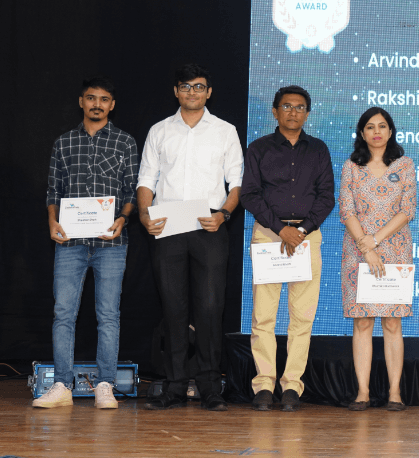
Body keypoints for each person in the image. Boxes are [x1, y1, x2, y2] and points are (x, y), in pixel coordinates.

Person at [138, 64, 243, 411]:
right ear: (176, 91)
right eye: (185, 86)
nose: (192, 92)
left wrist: (224, 214)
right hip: (168, 223)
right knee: (173, 306)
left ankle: (211, 386)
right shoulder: (159, 131)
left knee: (210, 306)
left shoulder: (225, 131)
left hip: (208, 224)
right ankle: (174, 386)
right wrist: (144, 214)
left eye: (199, 86)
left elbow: (237, 182)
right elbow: (146, 179)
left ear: (209, 92)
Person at [37, 77, 138, 409]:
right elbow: (53, 190)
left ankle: (105, 384)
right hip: (70, 242)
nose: (97, 104)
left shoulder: (125, 142)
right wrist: (52, 221)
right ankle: (62, 385)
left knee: (108, 314)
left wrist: (123, 218)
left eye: (104, 99)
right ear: (81, 102)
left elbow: (131, 191)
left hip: (111, 243)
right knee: (63, 313)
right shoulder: (64, 142)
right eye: (91, 98)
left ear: (112, 105)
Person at [240, 85, 334, 412]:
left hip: (307, 238)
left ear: (307, 113)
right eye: (287, 106)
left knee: (302, 317)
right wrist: (281, 230)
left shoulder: (318, 150)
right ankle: (264, 384)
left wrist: (301, 230)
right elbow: (250, 195)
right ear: (275, 111)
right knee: (263, 316)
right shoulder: (259, 149)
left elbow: (326, 196)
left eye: (299, 107)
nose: (293, 112)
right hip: (269, 235)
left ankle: (292, 385)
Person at [340, 107, 416, 412]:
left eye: (382, 126)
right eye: (370, 127)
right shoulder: (351, 166)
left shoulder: (404, 165)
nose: (376, 132)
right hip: (358, 252)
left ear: (390, 131)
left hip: (395, 250)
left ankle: (395, 392)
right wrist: (366, 247)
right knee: (362, 322)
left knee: (392, 322)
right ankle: (362, 392)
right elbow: (346, 210)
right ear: (362, 133)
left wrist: (376, 240)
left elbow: (407, 209)